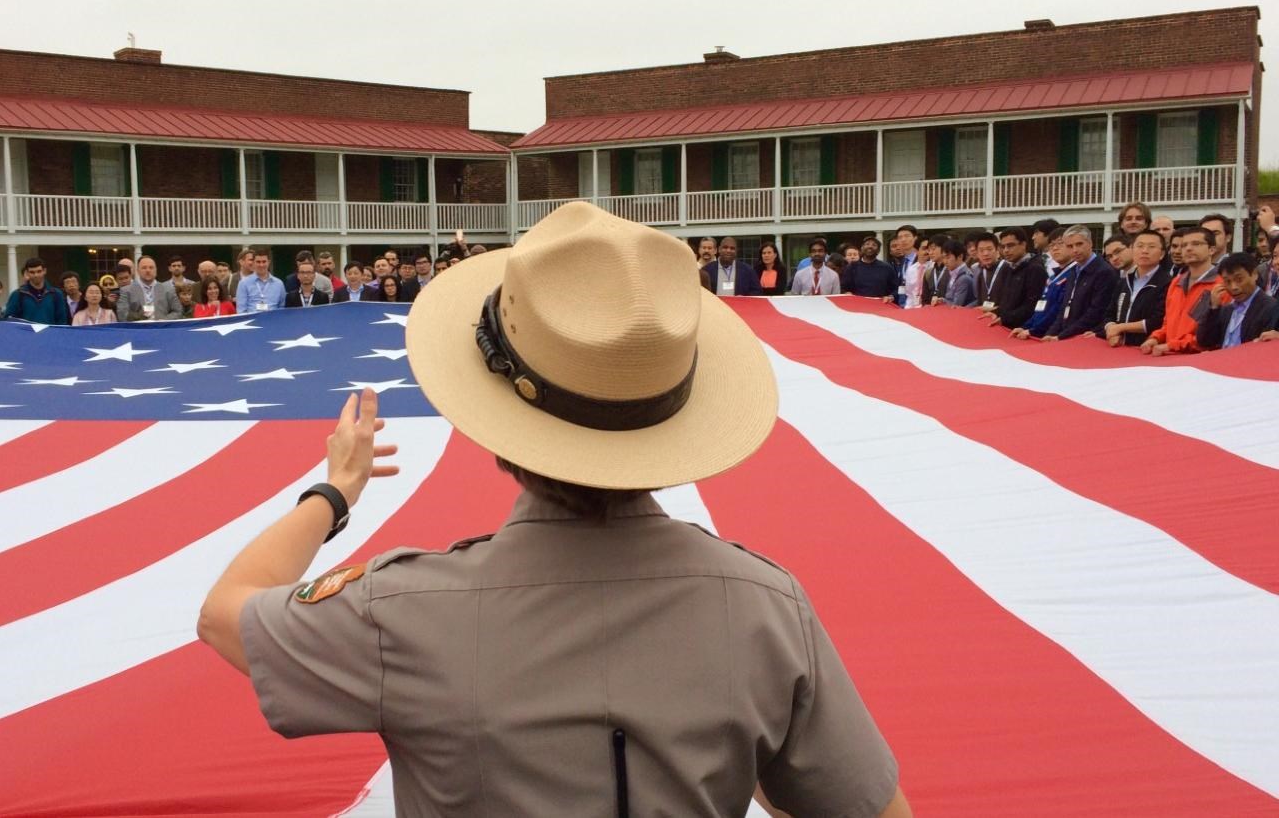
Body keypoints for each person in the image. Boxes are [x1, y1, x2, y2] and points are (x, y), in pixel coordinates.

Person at [197, 201, 910, 818]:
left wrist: (334, 493)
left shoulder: (401, 611)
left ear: (500, 426)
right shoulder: (765, 609)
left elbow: (226, 612)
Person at [1141, 226, 1222, 356]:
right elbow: (1167, 323)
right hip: (1168, 356)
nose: (1188, 248)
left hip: (1198, 360)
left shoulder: (1220, 284)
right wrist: (1155, 338)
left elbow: (1213, 333)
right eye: (1184, 245)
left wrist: (1171, 345)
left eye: (1196, 244)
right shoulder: (1176, 282)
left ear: (1211, 250)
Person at [1039, 225, 1119, 342]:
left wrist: (1061, 336)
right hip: (1067, 336)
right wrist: (1051, 333)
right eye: (1070, 246)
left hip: (1087, 339)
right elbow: (1064, 309)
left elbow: (1095, 313)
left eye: (1079, 244)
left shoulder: (1104, 272)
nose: (1075, 250)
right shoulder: (1073, 271)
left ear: (1090, 243)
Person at [1098, 230, 1171, 347]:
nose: (1144, 251)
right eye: (1140, 246)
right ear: (1132, 250)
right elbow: (1109, 313)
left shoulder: (1168, 283)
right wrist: (1111, 329)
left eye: (1151, 247)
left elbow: (1158, 321)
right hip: (1119, 347)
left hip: (1147, 348)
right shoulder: (1124, 281)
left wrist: (1120, 328)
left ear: (1162, 254)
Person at [1194, 252, 1279, 350]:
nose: (1233, 287)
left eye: (1239, 279)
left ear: (1254, 274)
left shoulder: (1271, 308)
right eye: (1227, 281)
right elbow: (1204, 341)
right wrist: (1213, 308)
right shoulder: (1225, 310)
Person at [1012, 228, 1075, 340]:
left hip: (1052, 335)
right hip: (1038, 332)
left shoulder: (1074, 274)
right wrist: (1025, 327)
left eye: (1060, 244)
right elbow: (1040, 308)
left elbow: (1057, 310)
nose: (1055, 248)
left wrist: (1033, 330)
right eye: (1051, 245)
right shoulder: (1053, 276)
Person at [978, 227, 1047, 329]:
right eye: (1003, 246)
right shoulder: (1009, 268)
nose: (1006, 250)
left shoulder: (1035, 269)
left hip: (1023, 330)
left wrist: (1004, 318)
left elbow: (1031, 306)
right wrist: (995, 312)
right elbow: (1007, 303)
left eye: (1010, 246)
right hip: (1006, 326)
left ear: (1023, 244)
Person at [3, 258, 69, 324]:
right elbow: (10, 321)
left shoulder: (56, 294)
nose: (36, 275)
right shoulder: (17, 295)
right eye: (32, 272)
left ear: (44, 271)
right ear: (27, 273)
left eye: (39, 271)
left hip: (50, 334)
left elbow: (62, 321)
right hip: (25, 334)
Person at [118, 255, 183, 321]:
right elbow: (122, 315)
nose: (148, 270)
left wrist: (165, 320)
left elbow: (178, 311)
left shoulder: (168, 289)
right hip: (137, 329)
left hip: (161, 329)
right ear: (138, 271)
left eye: (151, 267)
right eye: (144, 268)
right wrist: (139, 318)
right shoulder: (126, 291)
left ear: (156, 270)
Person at [842, 236, 897, 302]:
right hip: (857, 306)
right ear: (862, 248)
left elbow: (895, 289)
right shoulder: (852, 267)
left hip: (880, 306)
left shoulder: (887, 268)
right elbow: (844, 288)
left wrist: (891, 297)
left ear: (878, 250)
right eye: (867, 244)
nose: (870, 246)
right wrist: (847, 293)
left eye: (874, 245)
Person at [929, 239, 974, 307]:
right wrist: (942, 300)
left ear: (960, 256)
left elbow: (956, 305)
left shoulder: (964, 278)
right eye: (943, 257)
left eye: (948, 257)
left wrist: (944, 302)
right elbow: (950, 299)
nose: (945, 261)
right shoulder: (952, 272)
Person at [920, 235, 951, 305]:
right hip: (931, 312)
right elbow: (925, 299)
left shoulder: (952, 271)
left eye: (933, 249)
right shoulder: (928, 273)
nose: (930, 253)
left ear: (944, 248)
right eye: (929, 250)